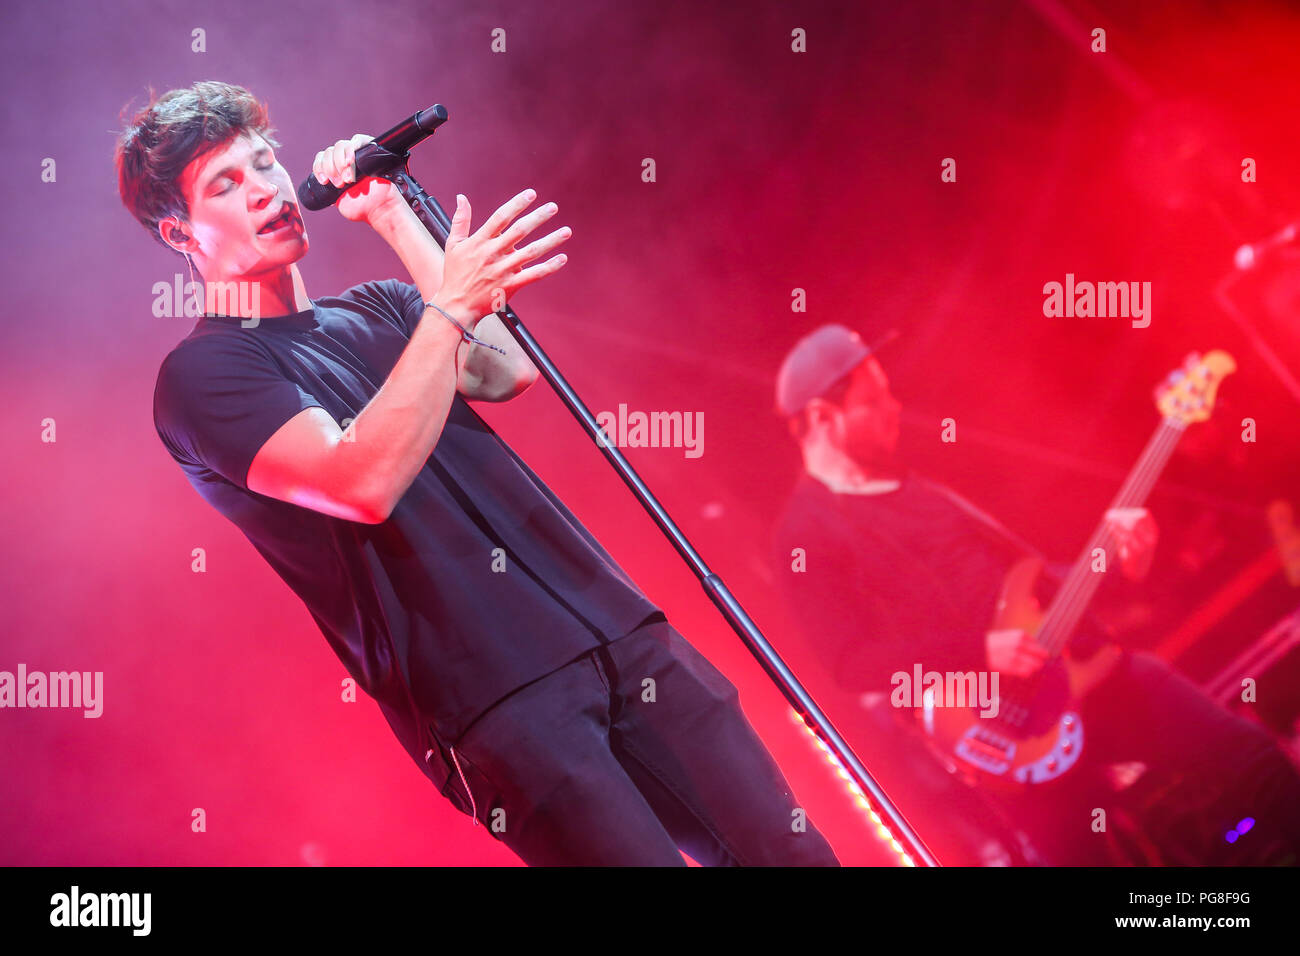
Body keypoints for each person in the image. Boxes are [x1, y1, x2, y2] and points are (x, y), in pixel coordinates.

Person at [116, 81, 838, 867]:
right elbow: (360, 479)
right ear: (178, 231)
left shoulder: (384, 307)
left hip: (613, 627)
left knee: (788, 852)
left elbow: (502, 373)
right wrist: (452, 304)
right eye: (226, 184)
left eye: (266, 164)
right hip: (497, 701)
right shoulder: (204, 374)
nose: (266, 190)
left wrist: (393, 217)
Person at [770, 323, 1300, 865]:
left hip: (1082, 673)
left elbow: (1036, 585)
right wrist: (979, 653)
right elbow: (849, 662)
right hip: (1006, 737)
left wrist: (1118, 562)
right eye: (874, 400)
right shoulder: (806, 535)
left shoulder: (921, 491)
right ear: (821, 418)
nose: (895, 407)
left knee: (1250, 756)